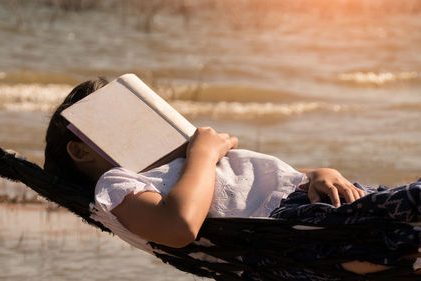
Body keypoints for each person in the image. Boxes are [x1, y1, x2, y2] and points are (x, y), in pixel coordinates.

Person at [44, 78, 421, 278]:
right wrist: (203, 155)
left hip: (322, 202)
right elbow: (177, 226)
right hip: (293, 231)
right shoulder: (117, 183)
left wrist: (324, 172)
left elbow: (278, 178)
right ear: (80, 151)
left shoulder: (178, 162)